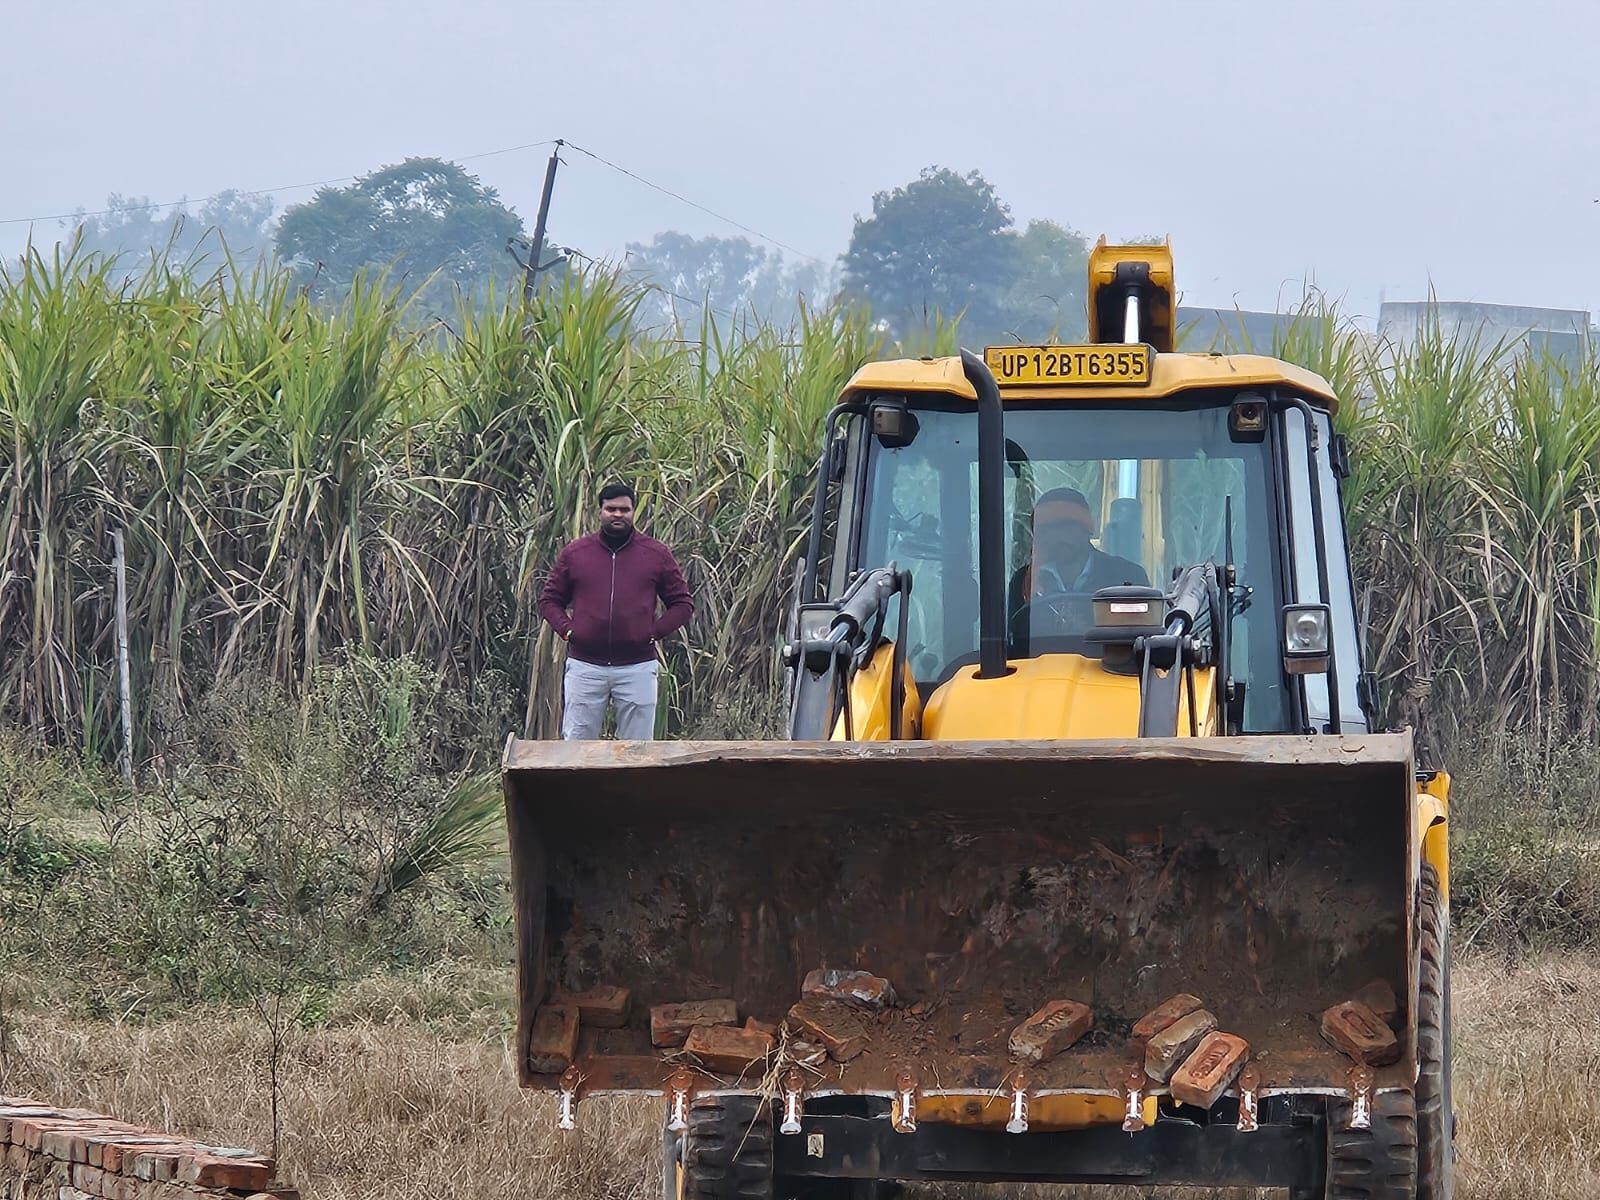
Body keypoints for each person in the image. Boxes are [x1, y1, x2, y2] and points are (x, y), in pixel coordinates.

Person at [538, 483, 694, 739]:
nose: (618, 514)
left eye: (624, 509)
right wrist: (568, 632)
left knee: (637, 751)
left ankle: (630, 783)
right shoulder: (576, 554)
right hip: (585, 666)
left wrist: (652, 633)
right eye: (611, 509)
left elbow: (683, 604)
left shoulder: (656, 555)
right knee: (577, 747)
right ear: (600, 512)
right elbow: (549, 600)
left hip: (637, 667)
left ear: (634, 512)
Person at [1008, 486, 1149, 644]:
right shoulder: (1023, 582)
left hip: (1105, 667)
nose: (1057, 536)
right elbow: (1015, 644)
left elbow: (1139, 644)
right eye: (1047, 529)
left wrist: (1089, 632)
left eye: (1066, 526)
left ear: (1086, 529)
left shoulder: (1127, 577)